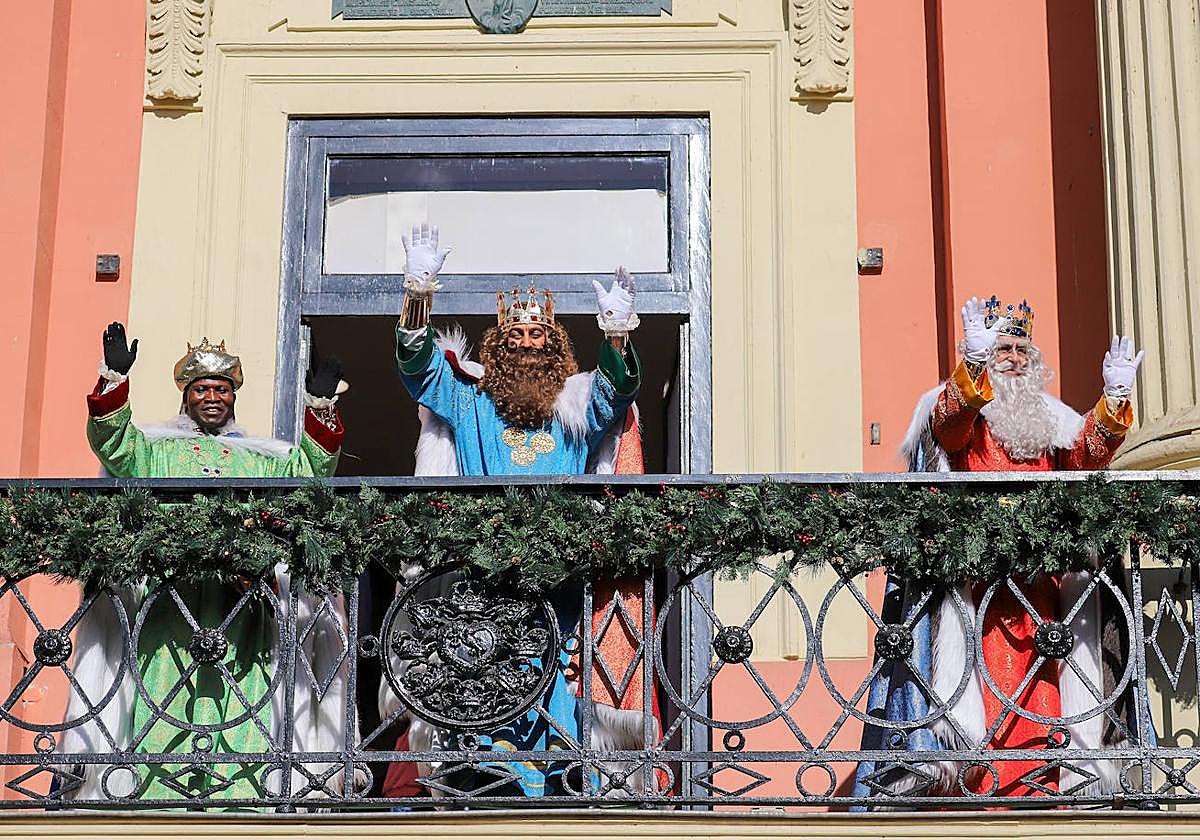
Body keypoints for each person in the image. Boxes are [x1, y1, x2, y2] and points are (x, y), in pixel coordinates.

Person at [378, 224, 648, 800]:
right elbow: (418, 370)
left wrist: (618, 336)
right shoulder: (470, 398)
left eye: (539, 338)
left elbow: (616, 393)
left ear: (556, 352)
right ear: (498, 348)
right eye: (518, 337)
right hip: (485, 565)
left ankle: (560, 764)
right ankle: (487, 766)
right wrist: (417, 293)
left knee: (558, 662)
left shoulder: (576, 407)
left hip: (559, 563)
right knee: (483, 659)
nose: (528, 344)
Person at [854, 296, 1145, 801]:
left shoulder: (1050, 418)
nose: (1013, 357)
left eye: (1020, 349)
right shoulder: (969, 411)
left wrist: (1114, 400)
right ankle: (980, 783)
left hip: (1044, 588)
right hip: (979, 581)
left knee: (1051, 689)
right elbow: (948, 428)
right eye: (1002, 348)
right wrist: (969, 366)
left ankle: (1045, 786)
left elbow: (1086, 455)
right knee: (979, 690)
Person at [60, 323, 354, 804]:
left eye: (221, 388)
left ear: (233, 396)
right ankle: (154, 792)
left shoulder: (265, 459)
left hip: (246, 604)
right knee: (161, 687)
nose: (212, 397)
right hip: (169, 604)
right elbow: (115, 449)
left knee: (249, 693)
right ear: (186, 396)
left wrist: (319, 407)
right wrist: (114, 378)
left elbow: (310, 474)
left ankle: (245, 791)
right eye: (201, 389)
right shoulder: (155, 450)